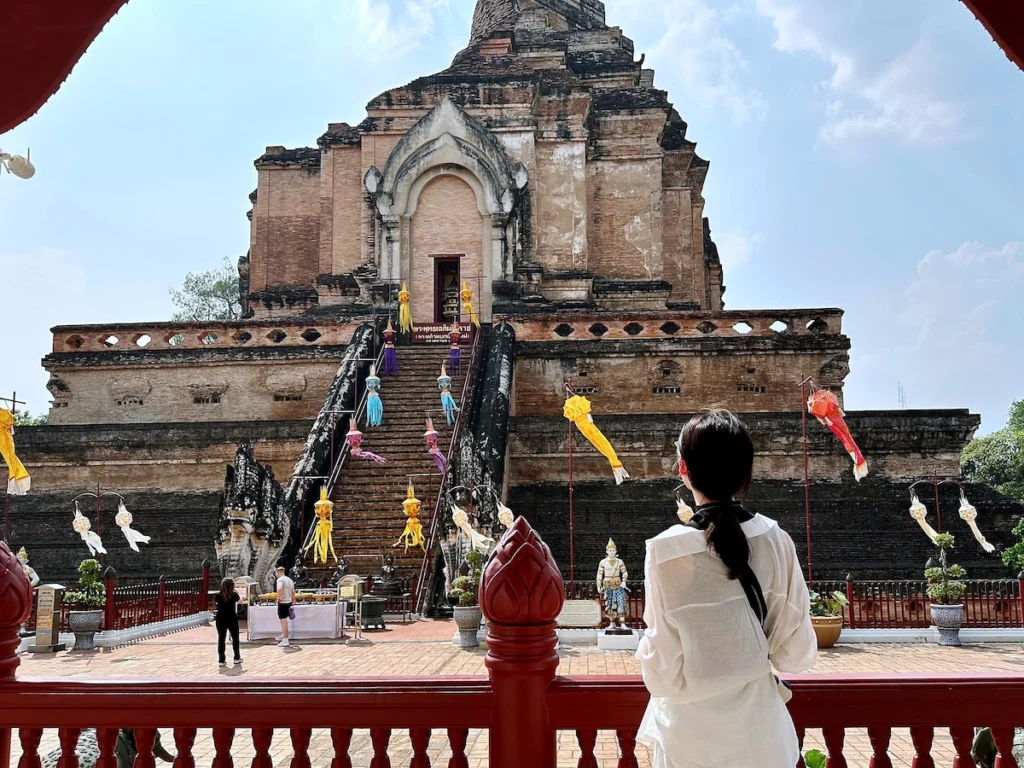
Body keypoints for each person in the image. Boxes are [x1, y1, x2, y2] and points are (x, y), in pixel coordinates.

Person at [636, 409, 817, 768]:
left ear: (683, 469)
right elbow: (796, 655)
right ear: (746, 472)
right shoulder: (777, 540)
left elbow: (661, 676)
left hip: (689, 741)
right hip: (763, 737)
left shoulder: (665, 551)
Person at [214, 578, 242, 667]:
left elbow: (216, 604)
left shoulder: (218, 595)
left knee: (221, 639)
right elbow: (240, 600)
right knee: (235, 638)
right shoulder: (234, 595)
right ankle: (236, 657)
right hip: (231, 617)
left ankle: (221, 659)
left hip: (220, 618)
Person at [275, 565, 295, 647]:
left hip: (283, 601)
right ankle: (284, 634)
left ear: (278, 572)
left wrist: (278, 597)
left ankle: (286, 640)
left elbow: (280, 588)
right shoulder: (289, 580)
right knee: (283, 619)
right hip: (289, 601)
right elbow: (293, 591)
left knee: (283, 620)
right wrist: (293, 600)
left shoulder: (280, 580)